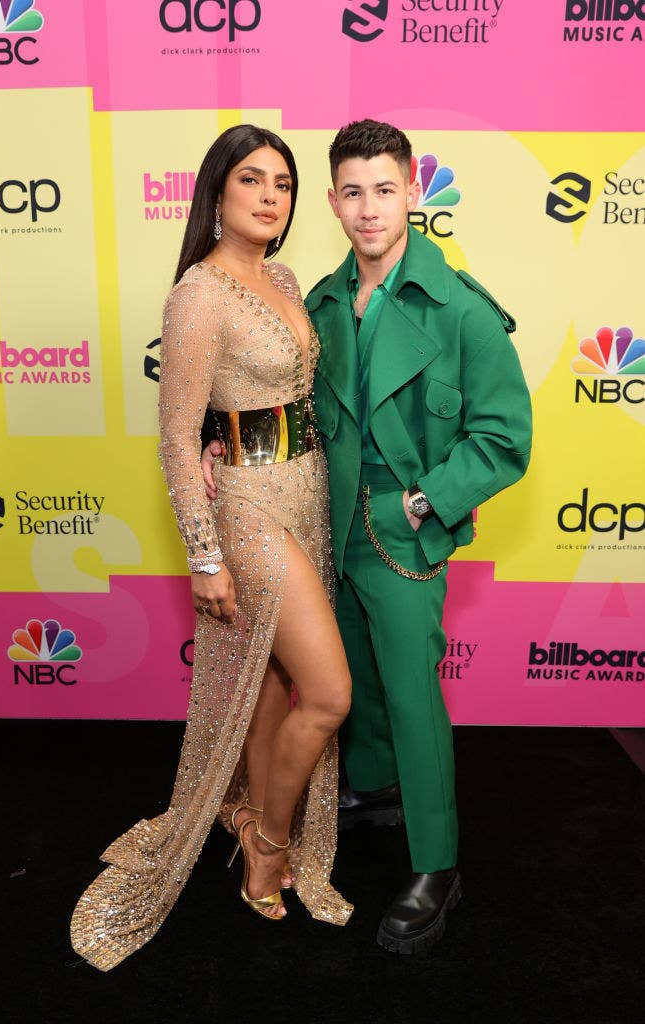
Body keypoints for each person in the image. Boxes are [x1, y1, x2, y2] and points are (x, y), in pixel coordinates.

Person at [202, 119, 532, 956]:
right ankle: (377, 786)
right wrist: (221, 443)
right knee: (352, 686)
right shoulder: (314, 301)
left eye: (384, 189)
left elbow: (503, 437)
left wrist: (425, 503)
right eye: (351, 191)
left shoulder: (460, 308)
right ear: (333, 202)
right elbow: (287, 408)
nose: (368, 208)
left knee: (413, 697)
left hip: (399, 531)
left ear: (414, 193)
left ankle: (435, 864)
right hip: (319, 528)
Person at [70, 125, 352, 972]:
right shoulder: (197, 294)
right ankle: (268, 846)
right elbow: (175, 437)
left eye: (284, 184)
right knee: (329, 692)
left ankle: (246, 817)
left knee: (273, 684)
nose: (271, 196)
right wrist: (204, 555)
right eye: (252, 181)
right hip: (247, 509)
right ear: (216, 195)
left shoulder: (285, 276)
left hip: (308, 491)